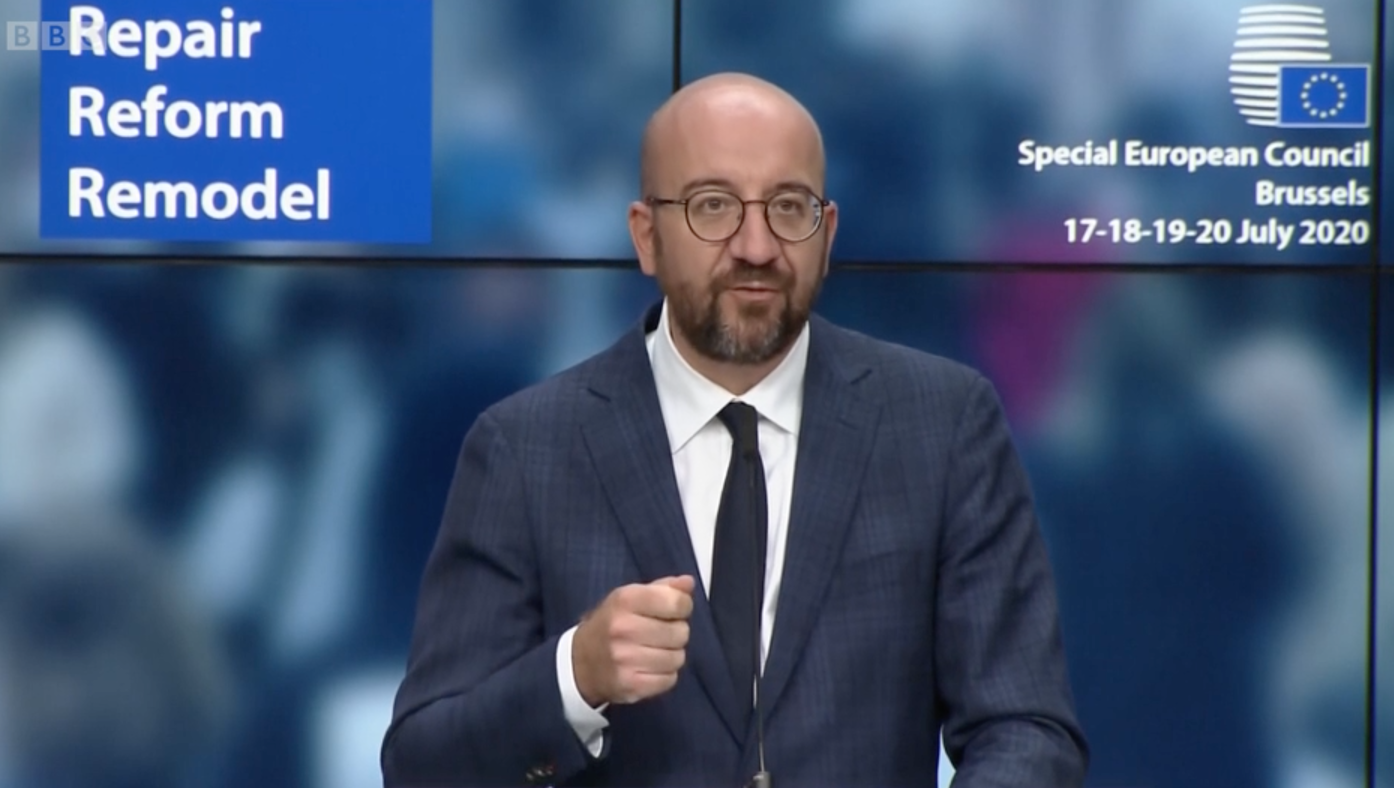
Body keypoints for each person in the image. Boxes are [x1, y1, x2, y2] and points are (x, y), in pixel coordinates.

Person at [381, 72, 1088, 788]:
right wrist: (575, 674)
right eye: (713, 206)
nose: (756, 245)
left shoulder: (943, 423)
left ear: (827, 234)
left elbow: (1025, 730)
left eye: (789, 207)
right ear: (646, 237)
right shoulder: (525, 448)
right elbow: (421, 766)